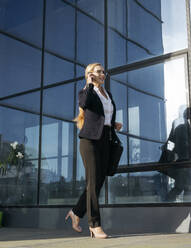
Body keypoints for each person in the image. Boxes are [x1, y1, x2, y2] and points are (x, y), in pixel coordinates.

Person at [64, 63, 122, 239]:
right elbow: (84, 103)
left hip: (105, 139)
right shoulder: (85, 91)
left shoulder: (107, 94)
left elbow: (104, 116)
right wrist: (89, 84)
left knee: (97, 182)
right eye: (98, 71)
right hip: (89, 141)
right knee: (92, 181)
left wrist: (113, 124)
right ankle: (94, 225)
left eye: (103, 71)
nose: (102, 74)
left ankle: (76, 212)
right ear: (90, 74)